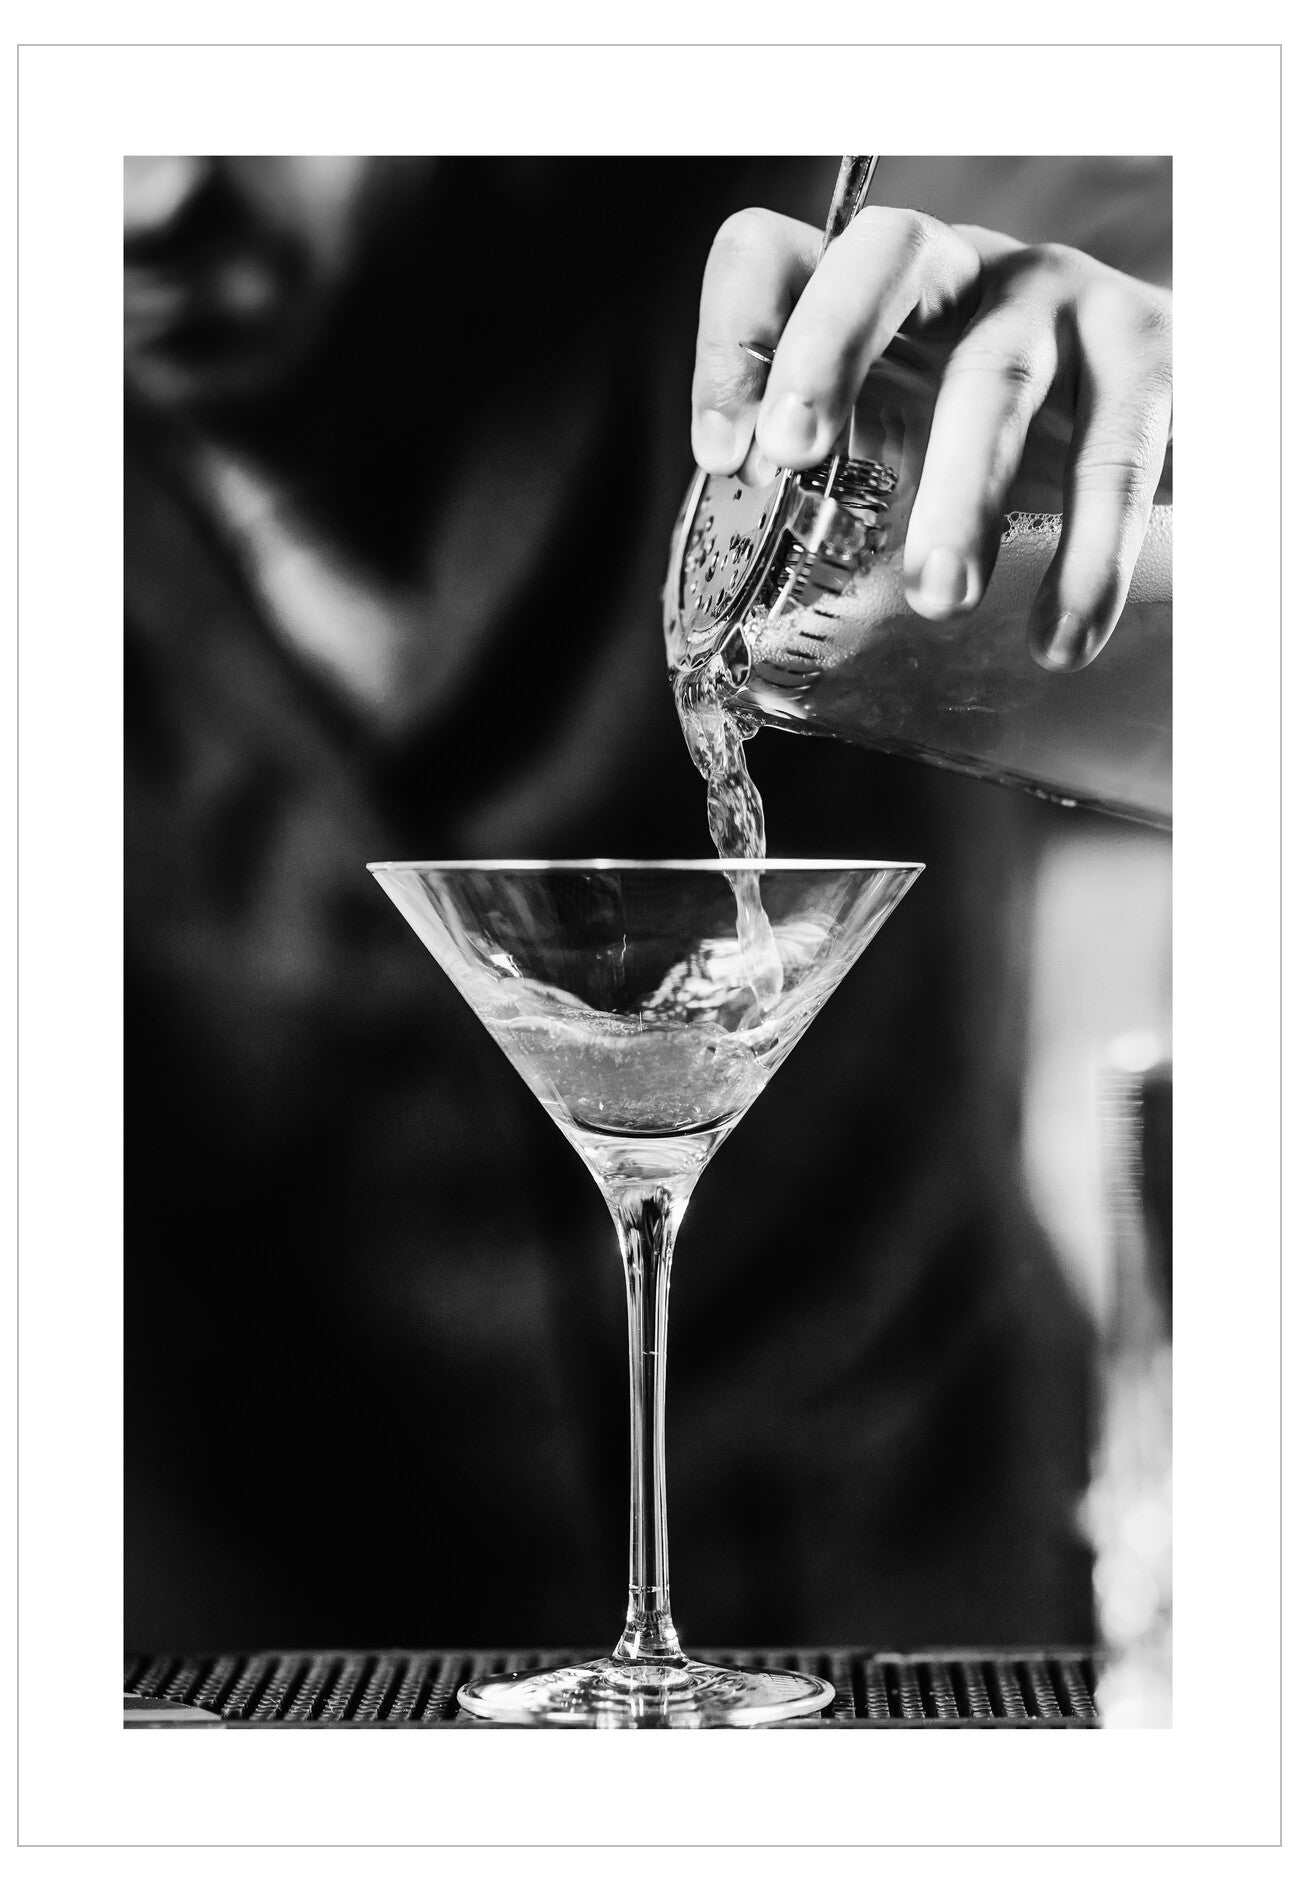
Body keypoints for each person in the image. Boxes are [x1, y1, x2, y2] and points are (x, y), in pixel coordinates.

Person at [124, 156, 1170, 1657]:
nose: (155, 194)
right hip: (288, 1692)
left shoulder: (807, 324)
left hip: (939, 1633)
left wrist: (1212, 477)